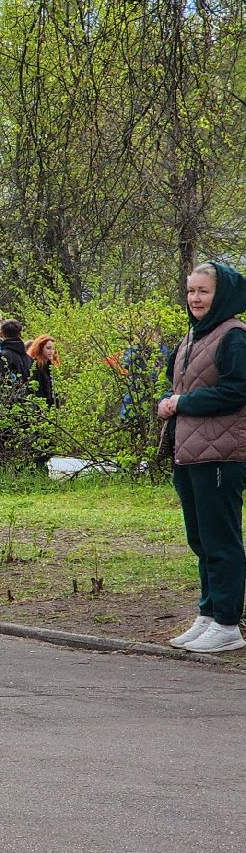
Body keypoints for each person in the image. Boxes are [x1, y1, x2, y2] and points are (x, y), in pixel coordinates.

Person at [160, 262, 246, 654]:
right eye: (191, 290)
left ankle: (228, 623)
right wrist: (170, 401)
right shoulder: (195, 335)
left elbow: (236, 391)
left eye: (203, 291)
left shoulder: (234, 337)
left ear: (221, 294)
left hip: (221, 455)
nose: (195, 298)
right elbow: (178, 382)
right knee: (200, 538)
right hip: (189, 453)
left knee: (220, 539)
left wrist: (182, 402)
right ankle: (209, 613)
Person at [29, 334, 58, 406]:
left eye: (53, 349)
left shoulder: (50, 366)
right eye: (48, 348)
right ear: (40, 348)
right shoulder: (35, 366)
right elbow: (37, 392)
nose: (51, 351)